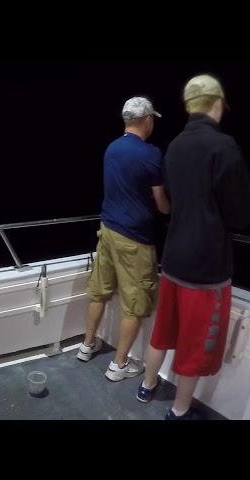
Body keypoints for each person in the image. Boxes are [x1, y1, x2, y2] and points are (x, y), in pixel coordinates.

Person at [137, 75, 250, 419]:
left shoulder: (175, 145)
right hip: (206, 268)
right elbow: (240, 215)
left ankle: (147, 386)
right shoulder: (224, 146)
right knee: (194, 344)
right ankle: (180, 410)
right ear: (217, 104)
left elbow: (170, 196)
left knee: (162, 330)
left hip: (173, 259)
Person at [76, 97, 170, 382]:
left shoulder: (112, 148)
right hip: (135, 239)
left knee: (99, 291)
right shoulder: (151, 154)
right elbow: (161, 202)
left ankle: (86, 345)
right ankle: (119, 365)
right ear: (146, 120)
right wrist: (170, 209)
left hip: (107, 231)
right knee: (136, 302)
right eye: (152, 118)